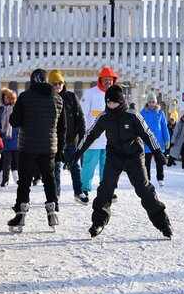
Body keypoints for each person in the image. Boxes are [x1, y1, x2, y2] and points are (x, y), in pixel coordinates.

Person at [68, 85, 172, 239]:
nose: (111, 106)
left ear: (121, 101)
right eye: (108, 103)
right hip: (114, 157)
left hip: (134, 157)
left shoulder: (133, 115)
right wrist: (78, 152)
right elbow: (91, 135)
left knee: (144, 189)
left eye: (114, 103)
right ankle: (98, 223)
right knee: (105, 188)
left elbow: (147, 134)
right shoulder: (104, 117)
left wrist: (157, 152)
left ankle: (164, 224)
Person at [7, 69, 66, 232]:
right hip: (49, 147)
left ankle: (20, 214)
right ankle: (52, 212)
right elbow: (62, 128)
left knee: (24, 181)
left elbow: (15, 121)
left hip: (28, 146)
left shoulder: (25, 97)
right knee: (49, 179)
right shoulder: (58, 99)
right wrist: (61, 148)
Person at [49, 69, 89, 204]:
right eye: (54, 84)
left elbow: (80, 117)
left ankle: (79, 192)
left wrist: (83, 135)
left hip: (70, 139)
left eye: (60, 83)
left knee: (75, 166)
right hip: (54, 140)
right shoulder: (47, 99)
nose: (57, 86)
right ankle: (56, 194)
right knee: (56, 168)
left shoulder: (71, 97)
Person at [79, 67, 119, 198]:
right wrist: (84, 132)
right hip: (94, 139)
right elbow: (82, 114)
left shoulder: (117, 95)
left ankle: (107, 188)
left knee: (108, 166)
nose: (108, 82)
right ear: (100, 80)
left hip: (111, 139)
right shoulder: (91, 93)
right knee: (89, 164)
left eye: (110, 79)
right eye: (105, 79)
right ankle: (84, 188)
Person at [0, 88, 18, 188]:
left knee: (16, 160)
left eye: (8, 97)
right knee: (6, 161)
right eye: (5, 97)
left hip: (15, 139)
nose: (6, 99)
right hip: (5, 140)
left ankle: (17, 179)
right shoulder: (2, 110)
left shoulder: (17, 109)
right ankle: (5, 180)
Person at [140, 93, 170, 186]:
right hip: (147, 141)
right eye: (149, 102)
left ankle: (160, 178)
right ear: (147, 102)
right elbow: (139, 127)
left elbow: (164, 127)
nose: (151, 104)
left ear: (156, 102)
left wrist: (167, 139)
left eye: (153, 102)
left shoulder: (160, 113)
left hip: (158, 141)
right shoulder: (142, 113)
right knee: (147, 162)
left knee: (159, 160)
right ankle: (147, 179)